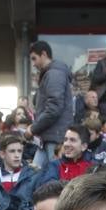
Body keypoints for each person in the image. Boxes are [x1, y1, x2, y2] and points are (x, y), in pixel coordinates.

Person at [29, 41, 74, 169]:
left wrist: (33, 129)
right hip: (48, 137)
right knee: (35, 175)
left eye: (34, 58)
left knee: (54, 178)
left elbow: (54, 108)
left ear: (44, 54)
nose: (34, 64)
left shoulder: (54, 74)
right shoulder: (53, 73)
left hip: (54, 137)